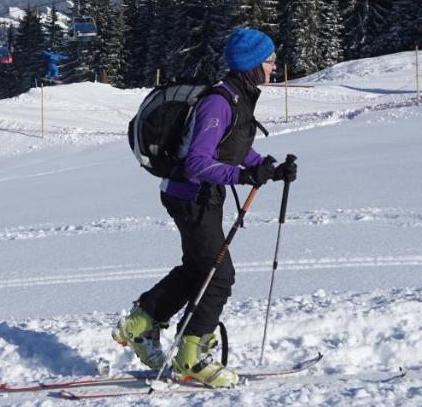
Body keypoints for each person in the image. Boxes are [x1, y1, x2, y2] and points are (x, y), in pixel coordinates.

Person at [112, 28, 298, 387]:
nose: (274, 66)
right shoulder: (220, 101)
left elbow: (234, 148)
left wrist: (269, 170)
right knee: (219, 274)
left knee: (199, 268)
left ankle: (140, 324)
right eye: (270, 60)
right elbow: (199, 162)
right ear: (252, 65)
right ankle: (190, 356)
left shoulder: (239, 97)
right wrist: (245, 177)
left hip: (199, 197)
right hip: (190, 196)